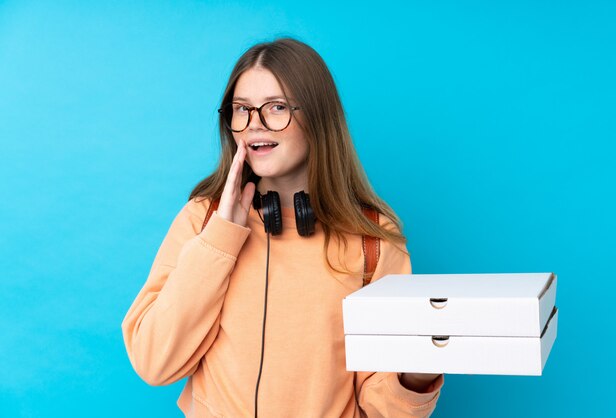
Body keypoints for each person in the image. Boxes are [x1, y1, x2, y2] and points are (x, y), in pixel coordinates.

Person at [122, 37, 444, 418]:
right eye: (242, 109)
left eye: (276, 107)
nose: (255, 124)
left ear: (318, 117)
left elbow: (384, 409)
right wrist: (221, 239)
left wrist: (419, 374)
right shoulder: (202, 220)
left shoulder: (371, 239)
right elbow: (154, 362)